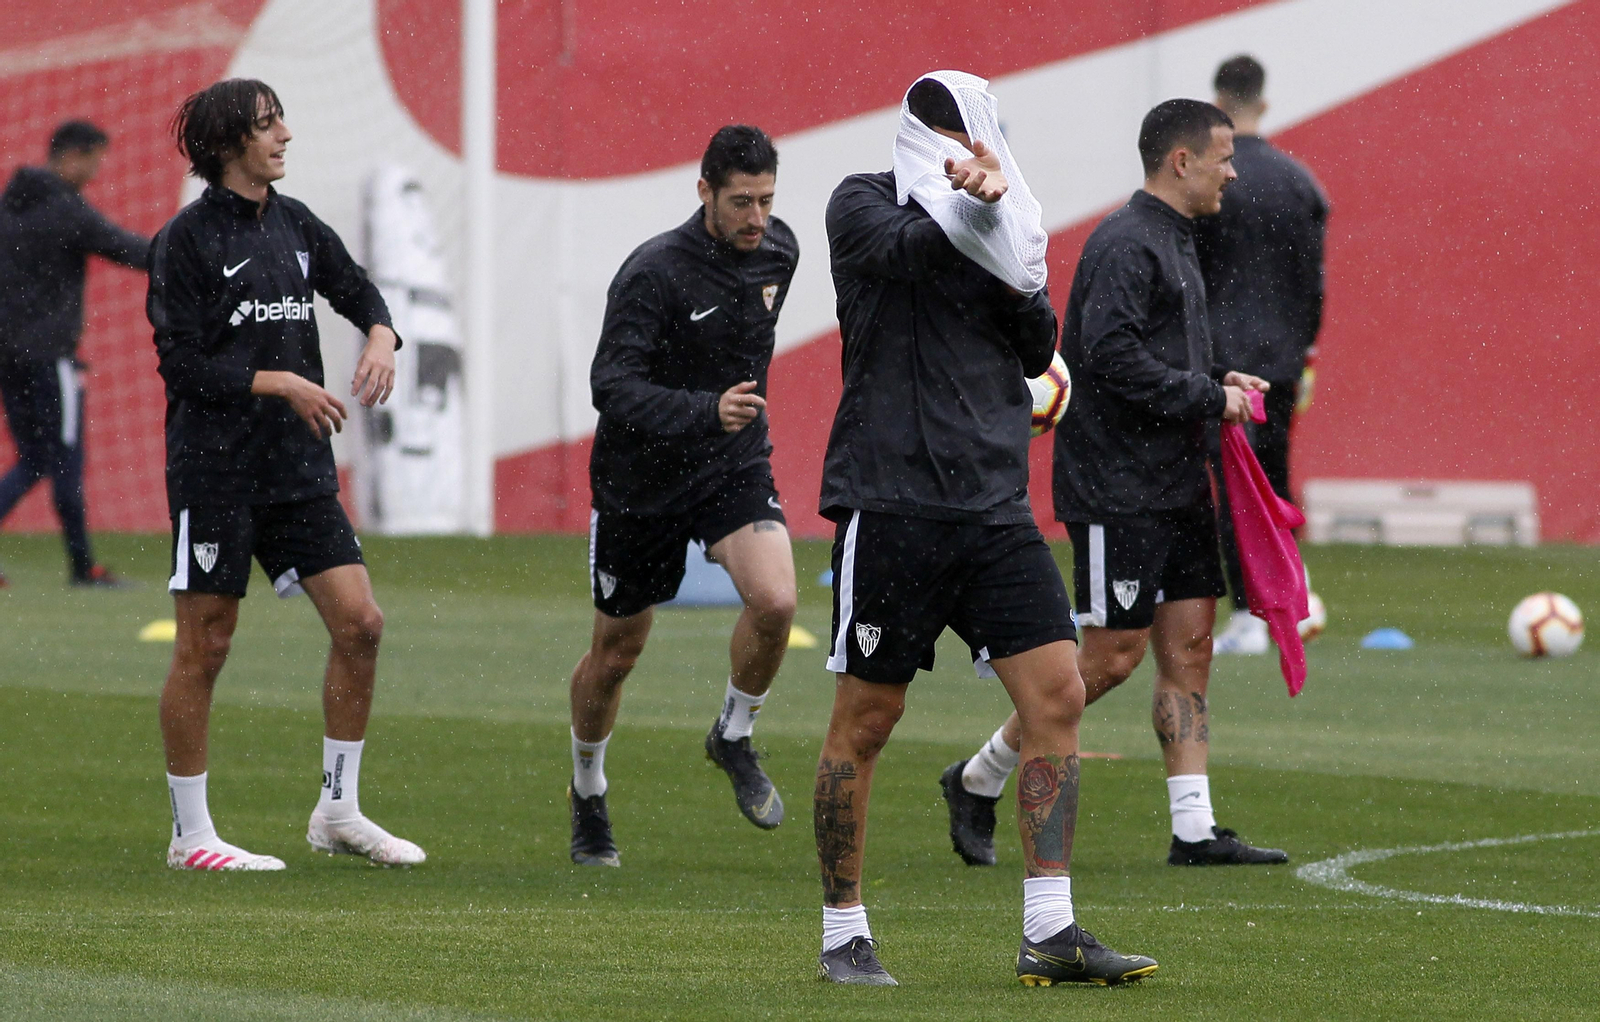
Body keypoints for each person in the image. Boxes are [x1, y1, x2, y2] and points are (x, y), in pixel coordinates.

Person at [814, 71, 1157, 988]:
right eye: (949, 128)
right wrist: (971, 210)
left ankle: (1051, 927)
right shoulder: (863, 203)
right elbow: (905, 254)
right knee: (868, 716)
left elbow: (1036, 339)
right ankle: (842, 931)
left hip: (995, 507)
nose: (964, 144)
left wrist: (1006, 230)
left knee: (1059, 696)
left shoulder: (1003, 225)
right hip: (890, 503)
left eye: (975, 130)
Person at [941, 99, 1290, 871]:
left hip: (1179, 480)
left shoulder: (1175, 238)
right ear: (1181, 161)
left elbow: (1153, 355)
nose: (1235, 171)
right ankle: (977, 779)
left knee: (1191, 648)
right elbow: (1110, 361)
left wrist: (1215, 378)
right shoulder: (1127, 243)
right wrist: (1208, 398)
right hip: (1119, 486)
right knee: (1109, 657)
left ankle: (1193, 831)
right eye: (1225, 156)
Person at [148, 78, 423, 871]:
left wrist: (379, 334)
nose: (286, 137)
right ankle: (191, 836)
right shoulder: (187, 241)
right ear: (231, 142)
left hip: (298, 471)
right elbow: (182, 367)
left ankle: (338, 811)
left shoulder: (296, 225)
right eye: (270, 125)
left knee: (362, 625)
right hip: (217, 473)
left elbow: (357, 288)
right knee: (206, 644)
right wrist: (280, 380)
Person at [566, 125, 799, 868]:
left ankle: (732, 737)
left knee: (777, 602)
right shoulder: (653, 273)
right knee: (616, 653)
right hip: (640, 483)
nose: (755, 218)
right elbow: (610, 386)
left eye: (765, 199)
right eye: (740, 202)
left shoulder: (780, 252)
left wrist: (721, 425)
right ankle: (589, 789)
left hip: (730, 466)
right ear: (703, 191)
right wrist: (703, 409)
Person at [1198, 55, 1329, 656]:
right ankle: (1288, 605)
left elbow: (1191, 276)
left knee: (1234, 487)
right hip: (1281, 361)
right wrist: (1303, 353)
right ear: (1264, 103)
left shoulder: (1208, 182)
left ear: (1218, 103)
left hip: (1221, 364)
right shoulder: (1300, 183)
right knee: (1273, 483)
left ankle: (1250, 614)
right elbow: (1313, 285)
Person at [0, 120, 149, 587]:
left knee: (34, 458)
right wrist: (191, 257)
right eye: (96, 158)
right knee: (63, 459)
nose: (100, 169)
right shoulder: (67, 210)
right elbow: (129, 249)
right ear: (73, 156)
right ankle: (83, 567)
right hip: (50, 357)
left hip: (9, 356)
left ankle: (84, 565)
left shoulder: (9, 207)